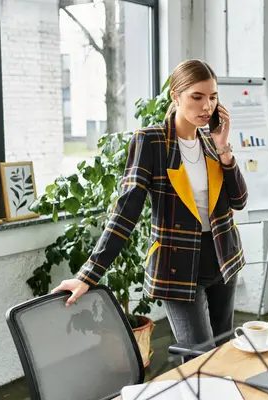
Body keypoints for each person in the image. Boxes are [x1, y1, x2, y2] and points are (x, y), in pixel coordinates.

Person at [52, 59, 248, 354]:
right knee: (200, 357)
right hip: (178, 265)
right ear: (175, 96)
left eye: (212, 97)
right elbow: (125, 212)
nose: (206, 106)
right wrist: (87, 275)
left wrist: (224, 148)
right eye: (197, 97)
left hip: (222, 259)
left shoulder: (211, 141)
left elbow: (239, 201)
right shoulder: (151, 141)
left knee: (226, 352)